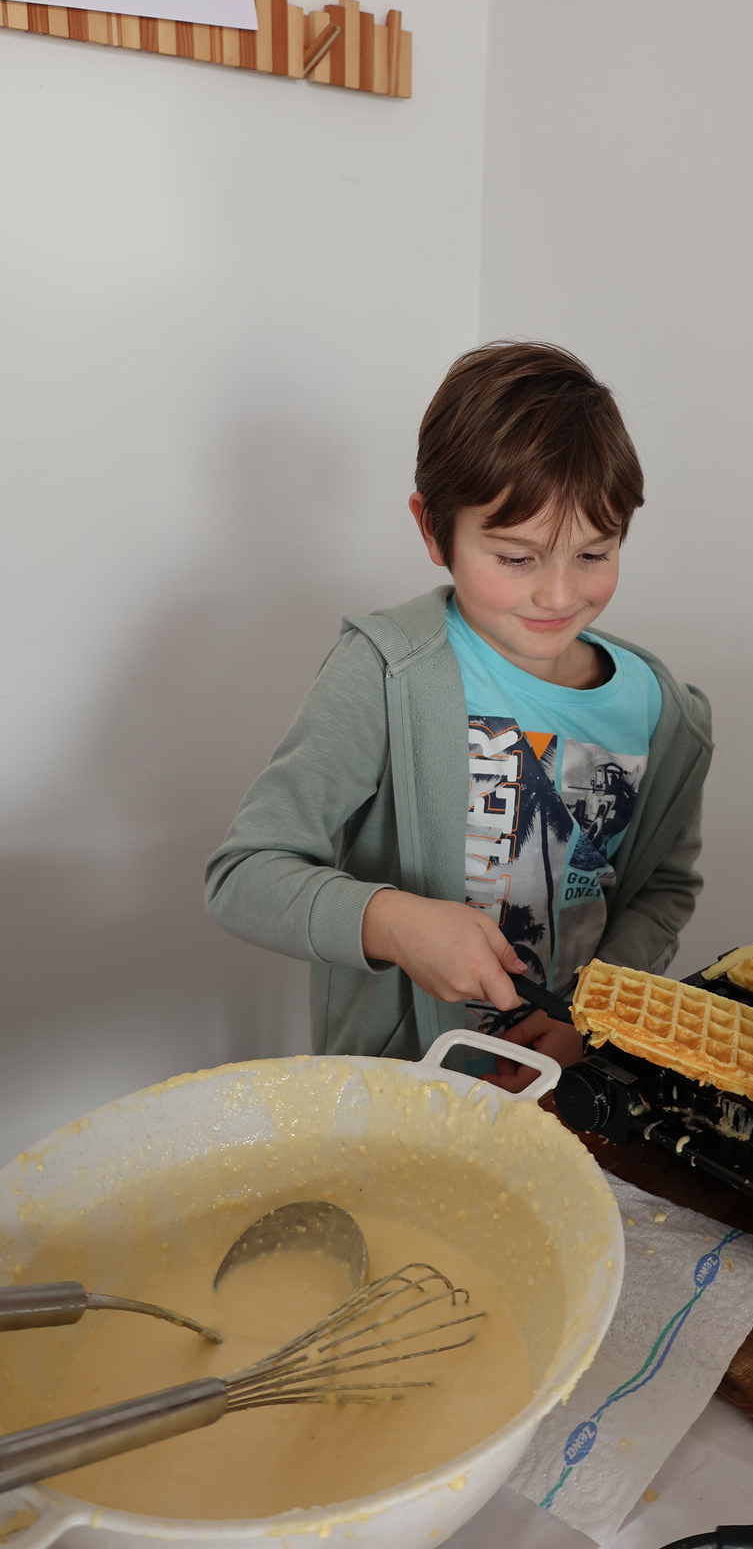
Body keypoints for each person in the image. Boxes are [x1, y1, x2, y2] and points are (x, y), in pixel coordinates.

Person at [205, 342, 713, 1090]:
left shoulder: (666, 715)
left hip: (566, 1084)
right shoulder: (386, 673)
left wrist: (591, 1011)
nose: (558, 595)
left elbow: (662, 893)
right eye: (516, 558)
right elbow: (243, 875)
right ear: (432, 528)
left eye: (593, 554)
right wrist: (394, 922)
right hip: (395, 1094)